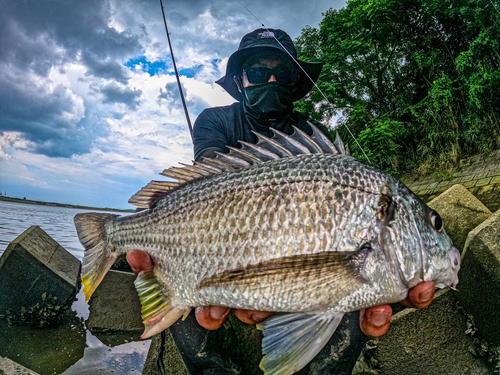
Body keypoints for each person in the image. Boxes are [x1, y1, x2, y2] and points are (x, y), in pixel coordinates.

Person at [127, 28, 436, 374]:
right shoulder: (215, 121)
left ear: (294, 83)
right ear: (241, 80)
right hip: (218, 236)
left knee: (355, 298)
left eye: (283, 74)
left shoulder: (315, 138)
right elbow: (207, 188)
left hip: (304, 256)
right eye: (259, 73)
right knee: (182, 283)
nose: (271, 80)